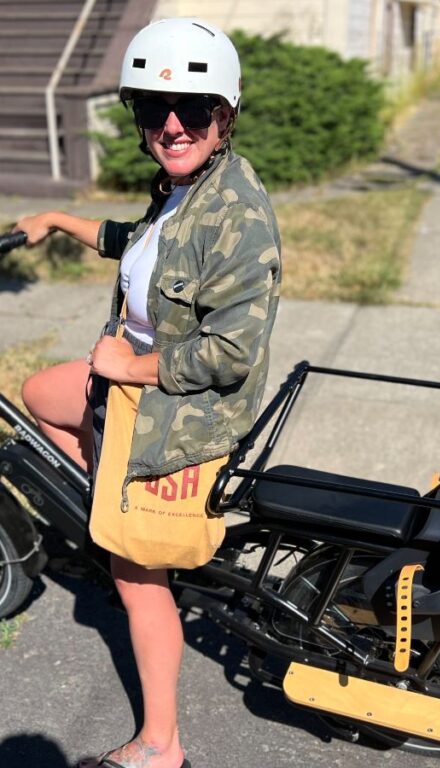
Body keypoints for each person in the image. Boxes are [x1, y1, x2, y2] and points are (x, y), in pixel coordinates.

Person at [15, 18, 281, 768]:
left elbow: (231, 352)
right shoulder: (183, 186)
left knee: (136, 580)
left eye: (193, 110)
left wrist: (129, 369)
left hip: (174, 411)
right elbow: (146, 238)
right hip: (129, 376)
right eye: (152, 111)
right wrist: (61, 221)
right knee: (40, 393)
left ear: (224, 115)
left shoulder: (236, 214)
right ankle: (117, 505)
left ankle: (160, 744)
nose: (171, 126)